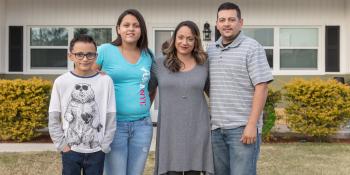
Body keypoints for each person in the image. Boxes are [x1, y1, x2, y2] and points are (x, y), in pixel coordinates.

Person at [207, 2, 273, 175]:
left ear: (240, 22)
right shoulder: (211, 50)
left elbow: (262, 87)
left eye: (231, 19)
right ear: (217, 24)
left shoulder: (252, 48)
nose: (226, 24)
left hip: (242, 129)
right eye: (222, 20)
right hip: (216, 129)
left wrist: (251, 125)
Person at [93, 9, 154, 175]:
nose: (131, 29)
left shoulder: (148, 55)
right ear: (118, 29)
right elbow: (85, 78)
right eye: (126, 25)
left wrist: (143, 106)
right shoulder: (105, 50)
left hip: (143, 126)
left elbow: (151, 86)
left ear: (142, 30)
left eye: (136, 25)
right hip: (114, 125)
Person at [150, 20, 214, 175]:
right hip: (169, 132)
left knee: (194, 171)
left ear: (196, 41)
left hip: (198, 129)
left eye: (190, 38)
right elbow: (147, 92)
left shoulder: (204, 64)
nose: (184, 42)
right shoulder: (159, 64)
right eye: (180, 37)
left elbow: (214, 93)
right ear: (174, 39)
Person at [48, 34, 117, 175]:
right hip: (70, 150)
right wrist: (62, 145)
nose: (85, 59)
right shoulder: (61, 82)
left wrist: (104, 145)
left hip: (97, 150)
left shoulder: (105, 81)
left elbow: (111, 116)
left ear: (96, 56)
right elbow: (54, 117)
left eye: (90, 54)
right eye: (79, 54)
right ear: (70, 56)